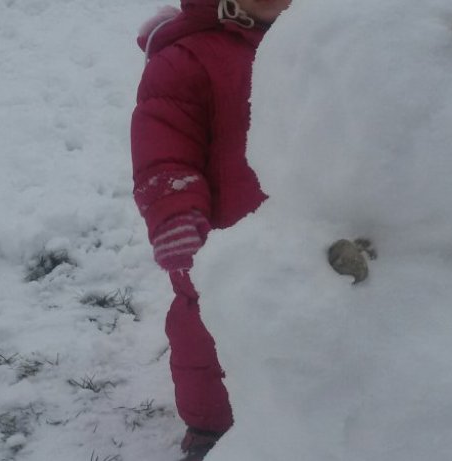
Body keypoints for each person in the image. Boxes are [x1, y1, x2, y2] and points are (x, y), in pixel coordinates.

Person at [130, 0, 291, 459]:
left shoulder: (321, 44)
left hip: (305, 225)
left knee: (304, 315)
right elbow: (163, 150)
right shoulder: (186, 58)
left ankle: (301, 410)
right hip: (217, 238)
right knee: (207, 331)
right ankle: (213, 427)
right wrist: (176, 214)